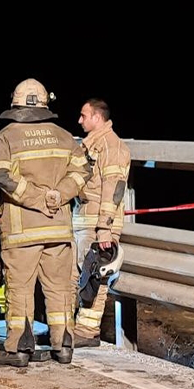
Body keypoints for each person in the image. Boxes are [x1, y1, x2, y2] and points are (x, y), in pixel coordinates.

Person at [0, 79, 91, 367]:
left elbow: (3, 177)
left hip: (22, 230)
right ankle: (64, 345)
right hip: (59, 227)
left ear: (16, 103)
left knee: (20, 288)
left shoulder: (6, 136)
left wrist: (37, 198)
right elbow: (83, 172)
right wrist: (58, 196)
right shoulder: (64, 137)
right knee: (59, 288)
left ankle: (19, 348)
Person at [72, 98, 131, 347]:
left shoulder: (112, 147)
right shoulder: (90, 145)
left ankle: (87, 331)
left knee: (96, 275)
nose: (79, 120)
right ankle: (72, 327)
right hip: (83, 218)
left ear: (97, 117)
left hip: (98, 223)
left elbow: (114, 190)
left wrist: (104, 228)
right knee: (78, 274)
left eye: (84, 115)